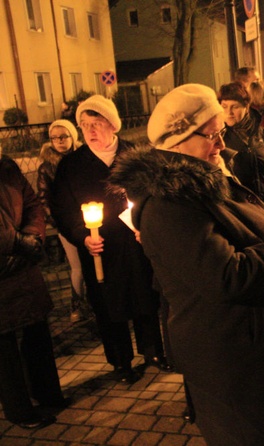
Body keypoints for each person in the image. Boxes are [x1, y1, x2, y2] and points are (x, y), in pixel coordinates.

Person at [108, 83, 264, 445]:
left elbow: (243, 230)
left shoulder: (203, 178)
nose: (222, 144)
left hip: (256, 341)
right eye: (212, 135)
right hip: (236, 355)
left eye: (221, 132)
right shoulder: (171, 203)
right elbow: (227, 275)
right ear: (178, 142)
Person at [49, 95, 170, 384]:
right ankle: (121, 362)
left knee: (145, 297)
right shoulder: (72, 165)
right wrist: (82, 237)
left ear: (112, 125)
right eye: (84, 124)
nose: (90, 130)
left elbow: (154, 195)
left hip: (136, 242)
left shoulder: (135, 155)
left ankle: (153, 351)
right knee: (108, 305)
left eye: (97, 123)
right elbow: (63, 210)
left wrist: (147, 226)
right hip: (100, 248)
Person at [0, 153, 69, 430]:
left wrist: (33, 236)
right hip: (6, 263)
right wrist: (17, 242)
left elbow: (32, 205)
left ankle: (47, 393)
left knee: (36, 330)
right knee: (3, 345)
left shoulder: (6, 167)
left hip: (23, 264)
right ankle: (19, 409)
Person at [36, 119, 89, 323]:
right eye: (54, 137)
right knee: (78, 266)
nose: (59, 141)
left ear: (72, 136)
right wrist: (59, 223)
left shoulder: (83, 159)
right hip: (66, 225)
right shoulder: (47, 167)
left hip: (90, 219)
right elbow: (44, 199)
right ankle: (76, 305)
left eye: (63, 136)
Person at [218, 82, 264, 218]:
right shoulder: (219, 138)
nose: (229, 113)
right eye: (224, 107)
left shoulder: (262, 134)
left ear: (247, 107)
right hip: (239, 214)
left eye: (235, 107)